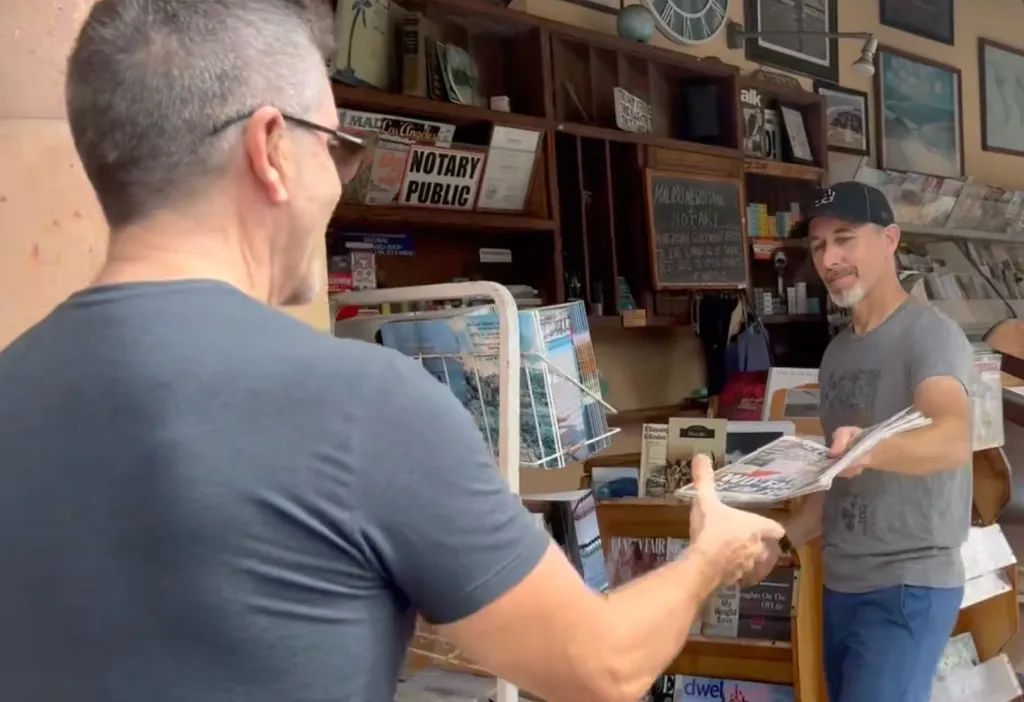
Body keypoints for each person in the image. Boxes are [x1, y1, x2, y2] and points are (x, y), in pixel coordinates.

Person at [0, 2, 785, 701]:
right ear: (271, 146)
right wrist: (710, 558)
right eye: (339, 146)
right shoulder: (362, 402)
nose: (341, 182)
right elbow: (600, 669)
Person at [746, 182, 973, 702]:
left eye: (845, 238)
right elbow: (835, 485)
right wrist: (780, 542)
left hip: (907, 586)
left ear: (890, 239)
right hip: (842, 585)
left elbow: (952, 437)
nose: (830, 258)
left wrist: (870, 448)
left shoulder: (930, 336)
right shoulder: (837, 355)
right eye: (819, 246)